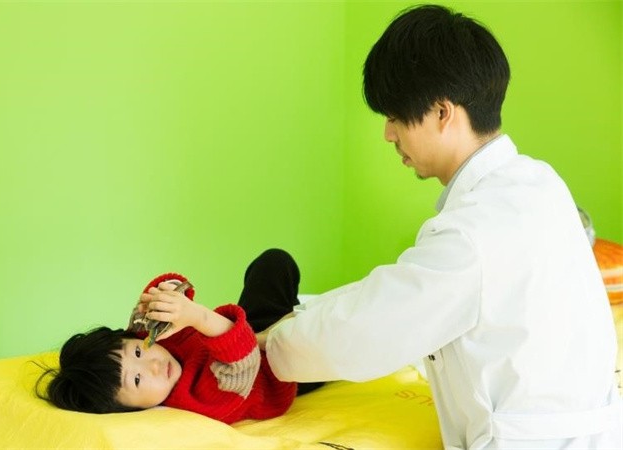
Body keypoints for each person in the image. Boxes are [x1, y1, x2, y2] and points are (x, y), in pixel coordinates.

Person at [259, 5, 621, 448]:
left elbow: (369, 330)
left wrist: (265, 345)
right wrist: (297, 316)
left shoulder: (471, 233)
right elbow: (395, 292)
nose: (388, 134)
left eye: (395, 117)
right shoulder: (541, 183)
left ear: (442, 112)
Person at [36, 249, 320, 424]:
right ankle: (305, 316)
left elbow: (152, 306)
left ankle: (298, 309)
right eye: (137, 380)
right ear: (132, 410)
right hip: (275, 370)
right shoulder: (199, 399)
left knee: (273, 262)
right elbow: (243, 359)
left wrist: (167, 294)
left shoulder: (150, 340)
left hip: (249, 330)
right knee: (322, 339)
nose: (153, 365)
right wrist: (196, 316)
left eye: (137, 352)